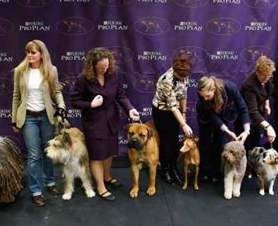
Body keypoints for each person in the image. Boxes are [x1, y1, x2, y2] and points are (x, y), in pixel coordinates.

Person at [70, 47, 139, 202]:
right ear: (92, 65)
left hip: (112, 119)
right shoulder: (83, 79)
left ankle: (107, 176)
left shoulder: (114, 73)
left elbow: (120, 95)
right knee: (96, 155)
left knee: (109, 151)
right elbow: (74, 101)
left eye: (106, 66)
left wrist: (130, 109)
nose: (105, 69)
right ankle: (101, 186)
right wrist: (91, 104)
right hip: (93, 122)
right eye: (101, 67)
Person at [11, 39, 66, 207]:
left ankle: (50, 182)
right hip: (28, 118)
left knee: (48, 151)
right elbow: (16, 96)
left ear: (42, 54)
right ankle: (36, 190)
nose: (29, 55)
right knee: (34, 155)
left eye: (33, 52)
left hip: (47, 117)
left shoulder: (51, 70)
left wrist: (62, 106)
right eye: (28, 52)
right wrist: (14, 119)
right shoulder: (20, 71)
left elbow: (56, 91)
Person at [196, 76, 251, 182]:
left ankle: (216, 172)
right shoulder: (203, 97)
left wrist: (246, 130)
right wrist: (227, 130)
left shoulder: (231, 88)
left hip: (223, 114)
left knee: (219, 141)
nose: (205, 99)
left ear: (214, 89)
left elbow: (243, 108)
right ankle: (203, 171)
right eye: (203, 96)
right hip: (205, 114)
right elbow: (212, 115)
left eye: (207, 96)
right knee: (205, 141)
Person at [152, 52, 193, 185]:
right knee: (166, 142)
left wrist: (184, 114)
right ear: (175, 69)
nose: (183, 78)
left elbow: (183, 95)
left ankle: (173, 168)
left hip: (176, 112)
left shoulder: (184, 75)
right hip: (162, 112)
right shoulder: (167, 80)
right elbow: (172, 105)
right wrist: (183, 124)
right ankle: (165, 170)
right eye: (180, 76)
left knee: (175, 142)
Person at [241, 56, 277, 150]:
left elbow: (266, 93)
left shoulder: (269, 78)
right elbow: (252, 111)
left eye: (268, 75)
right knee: (248, 146)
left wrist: (267, 104)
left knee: (256, 143)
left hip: (258, 113)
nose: (266, 78)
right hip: (246, 116)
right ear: (257, 72)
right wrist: (268, 127)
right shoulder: (249, 85)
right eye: (263, 75)